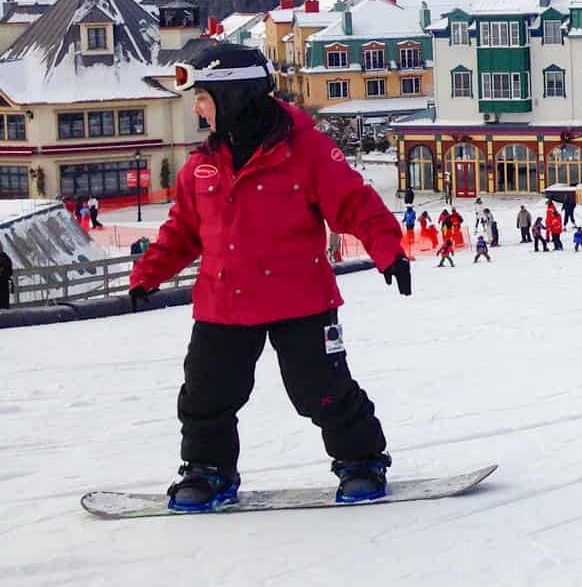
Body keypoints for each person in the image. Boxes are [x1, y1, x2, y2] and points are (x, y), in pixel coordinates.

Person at [126, 42, 410, 511]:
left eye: (203, 97)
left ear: (233, 97)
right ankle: (208, 470)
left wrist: (388, 252)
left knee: (321, 390)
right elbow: (182, 230)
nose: (197, 108)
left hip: (300, 298)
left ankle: (361, 461)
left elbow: (355, 204)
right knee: (205, 393)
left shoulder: (306, 151)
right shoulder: (203, 165)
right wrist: (147, 274)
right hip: (223, 301)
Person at [0, 245, 11, 309]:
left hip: (4, 285)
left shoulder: (6, 258)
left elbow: (10, 271)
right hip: (4, 285)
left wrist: (3, 272)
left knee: (5, 305)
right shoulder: (6, 258)